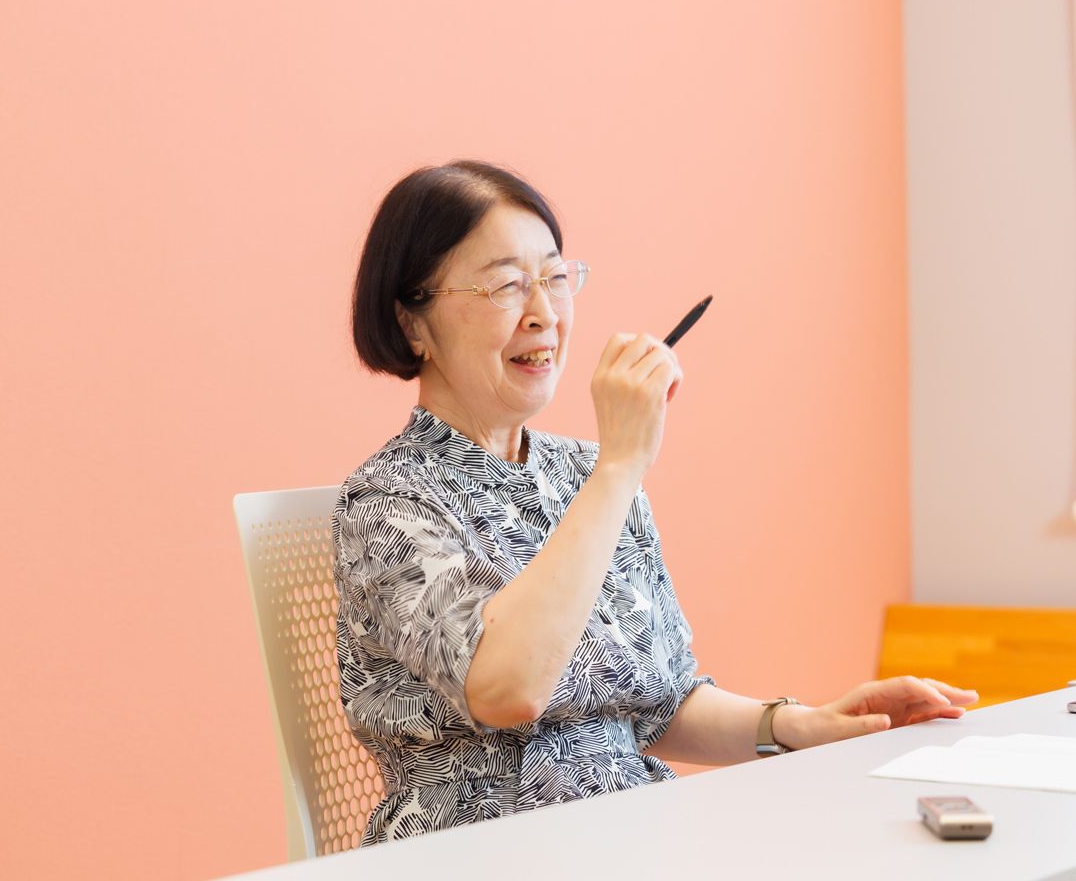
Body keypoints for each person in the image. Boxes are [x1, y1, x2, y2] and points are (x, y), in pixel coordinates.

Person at [331, 160, 977, 845]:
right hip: (479, 850)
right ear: (412, 323)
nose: (544, 314)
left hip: (637, 837)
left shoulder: (586, 472)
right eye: (506, 284)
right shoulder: (387, 502)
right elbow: (507, 687)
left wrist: (802, 724)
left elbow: (662, 706)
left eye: (554, 278)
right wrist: (619, 468)